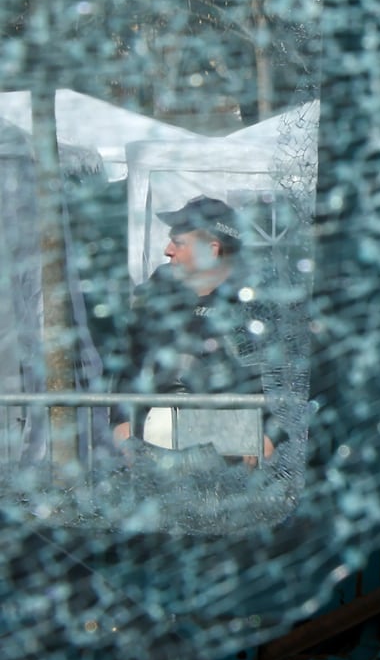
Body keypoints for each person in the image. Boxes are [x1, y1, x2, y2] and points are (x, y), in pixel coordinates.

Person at [110, 195, 276, 461]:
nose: (167, 250)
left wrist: (268, 433)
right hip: (154, 442)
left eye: (179, 243)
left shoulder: (253, 304)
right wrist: (120, 421)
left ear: (211, 251)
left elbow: (277, 379)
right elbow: (130, 363)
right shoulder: (156, 296)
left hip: (227, 447)